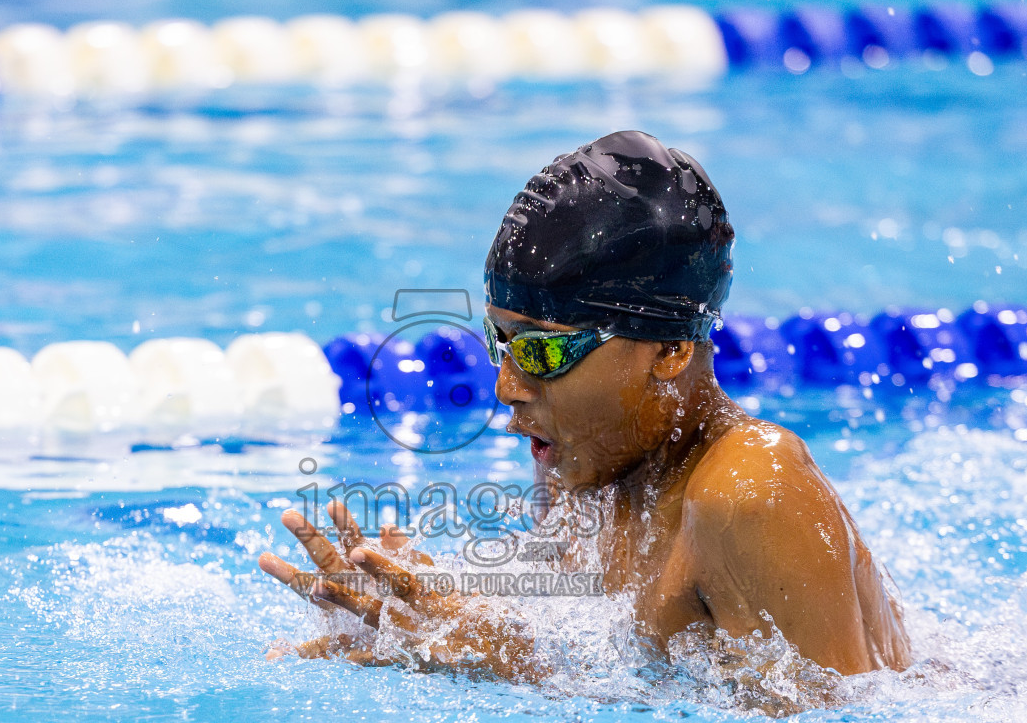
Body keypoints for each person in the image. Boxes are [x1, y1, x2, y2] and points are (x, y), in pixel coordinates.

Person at [258, 130, 910, 681]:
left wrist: (511, 657)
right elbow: (582, 655)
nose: (506, 386)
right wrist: (427, 621)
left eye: (543, 352)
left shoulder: (749, 490)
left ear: (670, 350)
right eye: (500, 343)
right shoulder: (588, 467)